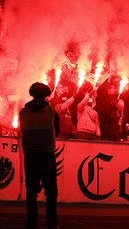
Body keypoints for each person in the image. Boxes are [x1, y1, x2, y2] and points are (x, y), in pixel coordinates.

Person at [19, 82, 60, 229]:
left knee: (31, 191)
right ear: (46, 95)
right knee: (51, 191)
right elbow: (57, 131)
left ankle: (31, 223)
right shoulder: (51, 112)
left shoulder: (23, 112)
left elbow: (22, 130)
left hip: (30, 156)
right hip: (47, 155)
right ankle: (52, 223)